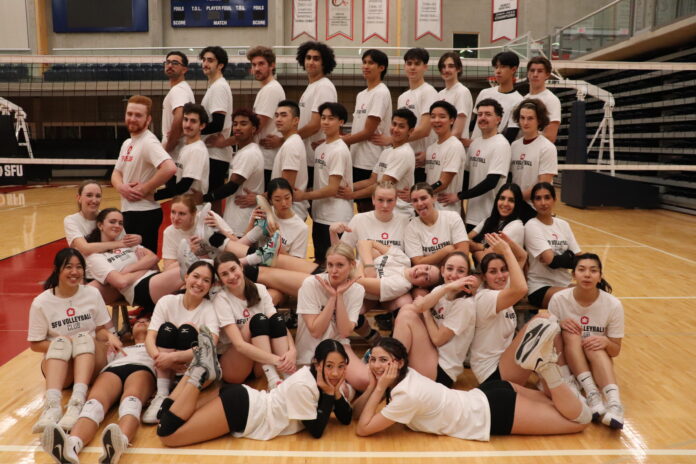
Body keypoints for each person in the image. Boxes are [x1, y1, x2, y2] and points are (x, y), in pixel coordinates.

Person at [354, 333, 591, 440]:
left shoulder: (407, 394)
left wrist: (377, 389)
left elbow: (363, 429)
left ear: (399, 363)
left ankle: (547, 369)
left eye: (383, 360)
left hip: (494, 412)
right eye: (373, 359)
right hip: (490, 393)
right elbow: (357, 414)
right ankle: (546, 368)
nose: (376, 365)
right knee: (563, 407)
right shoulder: (407, 375)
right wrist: (375, 383)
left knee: (580, 422)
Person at [156, 334, 352, 445]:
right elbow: (316, 430)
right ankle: (199, 373)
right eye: (329, 366)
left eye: (341, 366)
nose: (335, 373)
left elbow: (346, 418)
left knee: (165, 417)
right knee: (168, 435)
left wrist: (335, 392)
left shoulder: (325, 380)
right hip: (244, 410)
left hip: (245, 402)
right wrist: (328, 393)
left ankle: (195, 369)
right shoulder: (303, 384)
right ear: (317, 364)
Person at [28, 248, 122, 434]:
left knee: (83, 338)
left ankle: (77, 403)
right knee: (62, 342)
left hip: (91, 361)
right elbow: (35, 344)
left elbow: (101, 331)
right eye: (68, 267)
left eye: (79, 267)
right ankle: (52, 406)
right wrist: (65, 342)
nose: (75, 272)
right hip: (62, 367)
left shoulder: (92, 294)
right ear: (57, 269)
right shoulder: (41, 302)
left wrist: (110, 336)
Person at [40, 317, 155, 464]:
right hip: (112, 369)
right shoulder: (120, 347)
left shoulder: (159, 347)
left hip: (142, 369)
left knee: (131, 401)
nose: (142, 321)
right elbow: (99, 338)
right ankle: (71, 447)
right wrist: (108, 338)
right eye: (138, 320)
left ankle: (119, 442)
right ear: (130, 333)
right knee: (92, 404)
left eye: (148, 320)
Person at [549, 253, 625, 429]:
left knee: (594, 343)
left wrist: (606, 342)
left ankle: (615, 405)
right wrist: (559, 323)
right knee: (571, 331)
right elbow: (548, 339)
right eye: (581, 270)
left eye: (593, 270)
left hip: (595, 364)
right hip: (566, 364)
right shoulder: (559, 299)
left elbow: (615, 350)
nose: (587, 275)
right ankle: (592, 395)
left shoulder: (613, 305)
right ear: (573, 275)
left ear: (600, 276)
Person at [142, 260, 219, 423]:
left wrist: (173, 358)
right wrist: (160, 358)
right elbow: (150, 337)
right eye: (196, 277)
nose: (199, 283)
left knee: (188, 331)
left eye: (206, 281)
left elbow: (211, 345)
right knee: (167, 328)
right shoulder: (167, 301)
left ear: (211, 286)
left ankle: (178, 392)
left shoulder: (209, 308)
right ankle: (162, 393)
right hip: (164, 366)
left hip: (190, 368)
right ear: (186, 277)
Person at [392, 251, 477, 387]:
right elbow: (419, 307)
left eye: (460, 271)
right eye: (450, 269)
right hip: (431, 355)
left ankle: (392, 370)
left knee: (408, 314)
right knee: (408, 309)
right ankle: (393, 365)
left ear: (467, 276)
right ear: (442, 271)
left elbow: (438, 340)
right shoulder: (440, 288)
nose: (454, 275)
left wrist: (426, 311)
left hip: (442, 372)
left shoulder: (464, 304)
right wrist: (446, 289)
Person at [213, 252, 296, 388]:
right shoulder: (221, 299)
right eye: (224, 274)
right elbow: (239, 344)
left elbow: (278, 323)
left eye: (233, 269)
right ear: (220, 279)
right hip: (234, 366)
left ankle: (287, 377)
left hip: (260, 363)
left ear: (241, 267)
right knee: (257, 320)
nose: (232, 277)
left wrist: (292, 351)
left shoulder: (260, 289)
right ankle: (273, 377)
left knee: (274, 318)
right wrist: (276, 360)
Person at [294, 243, 370, 390]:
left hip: (338, 343)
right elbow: (316, 331)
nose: (333, 271)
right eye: (330, 265)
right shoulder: (311, 284)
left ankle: (350, 378)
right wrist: (332, 298)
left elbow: (344, 332)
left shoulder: (357, 290)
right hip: (311, 348)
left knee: (364, 381)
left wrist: (339, 296)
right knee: (320, 390)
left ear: (352, 265)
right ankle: (345, 385)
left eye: (340, 265)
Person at [84, 208, 184, 315]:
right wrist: (144, 267)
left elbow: (153, 258)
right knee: (187, 270)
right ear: (100, 225)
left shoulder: (127, 243)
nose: (117, 225)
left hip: (155, 277)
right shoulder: (95, 257)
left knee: (187, 269)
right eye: (112, 222)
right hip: (139, 288)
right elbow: (121, 282)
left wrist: (129, 270)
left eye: (120, 223)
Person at [111, 95, 176, 253]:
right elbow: (116, 173)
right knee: (133, 259)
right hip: (130, 211)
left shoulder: (149, 141)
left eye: (138, 115)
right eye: (130, 114)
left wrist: (145, 188)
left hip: (144, 213)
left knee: (144, 262)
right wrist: (122, 188)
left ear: (148, 120)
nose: (132, 118)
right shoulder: (128, 142)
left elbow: (169, 167)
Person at [294, 102, 353, 265]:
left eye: (331, 118)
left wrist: (303, 196)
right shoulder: (321, 148)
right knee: (320, 261)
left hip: (336, 216)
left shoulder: (339, 150)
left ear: (341, 122)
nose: (325, 122)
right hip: (320, 214)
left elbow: (333, 189)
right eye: (323, 118)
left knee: (336, 264)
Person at [64, 180, 140, 303]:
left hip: (115, 270)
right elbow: (85, 248)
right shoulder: (71, 220)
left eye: (98, 196)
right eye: (89, 195)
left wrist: (136, 239)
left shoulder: (108, 217)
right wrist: (120, 243)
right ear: (79, 198)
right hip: (91, 275)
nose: (94, 200)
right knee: (80, 300)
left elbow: (128, 244)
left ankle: (148, 311)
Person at [469, 234, 530, 386]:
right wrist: (507, 251)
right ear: (483, 277)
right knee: (540, 323)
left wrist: (508, 243)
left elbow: (522, 257)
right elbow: (522, 288)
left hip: (506, 364)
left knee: (554, 326)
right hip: (491, 373)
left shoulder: (503, 289)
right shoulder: (485, 298)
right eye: (493, 271)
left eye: (504, 270)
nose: (500, 276)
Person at [446, 98, 511, 232]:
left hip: (490, 215)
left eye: (488, 114)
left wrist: (459, 196)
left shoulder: (501, 144)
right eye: (480, 114)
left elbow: (491, 182)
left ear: (498, 119)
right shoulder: (476, 143)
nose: (482, 118)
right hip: (472, 214)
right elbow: (467, 175)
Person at [354, 239, 441, 336]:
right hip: (350, 267)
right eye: (426, 268)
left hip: (350, 282)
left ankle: (381, 338)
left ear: (422, 286)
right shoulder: (403, 259)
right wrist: (369, 265)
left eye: (426, 278)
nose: (420, 272)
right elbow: (364, 242)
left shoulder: (401, 285)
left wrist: (365, 258)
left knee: (350, 310)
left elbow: (358, 281)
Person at [342, 49, 392, 212]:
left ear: (381, 68)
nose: (366, 66)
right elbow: (359, 129)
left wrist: (338, 142)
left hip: (371, 159)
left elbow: (368, 132)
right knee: (361, 209)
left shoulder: (381, 93)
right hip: (357, 158)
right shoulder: (361, 95)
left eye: (371, 63)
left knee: (369, 208)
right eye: (364, 62)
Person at [343, 109, 417, 216]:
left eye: (401, 126)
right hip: (385, 210)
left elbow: (382, 185)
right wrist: (348, 187)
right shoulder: (387, 152)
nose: (395, 129)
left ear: (410, 131)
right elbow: (372, 180)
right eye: (394, 124)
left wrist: (351, 195)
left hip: (400, 213)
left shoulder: (404, 153)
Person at [203, 109, 265, 237]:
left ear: (253, 129)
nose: (237, 127)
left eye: (243, 124)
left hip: (243, 222)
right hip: (238, 219)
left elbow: (231, 186)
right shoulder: (242, 152)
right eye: (235, 124)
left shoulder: (249, 153)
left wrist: (203, 198)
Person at [525, 182, 581, 309]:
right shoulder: (532, 225)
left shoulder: (563, 224)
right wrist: (568, 256)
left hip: (564, 284)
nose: (543, 203)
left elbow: (579, 258)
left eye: (547, 197)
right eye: (538, 198)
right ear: (533, 202)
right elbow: (552, 262)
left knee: (600, 290)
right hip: (540, 287)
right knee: (578, 297)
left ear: (554, 200)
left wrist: (566, 258)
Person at [295, 41, 338, 188]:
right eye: (308, 58)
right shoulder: (312, 87)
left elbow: (314, 125)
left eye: (316, 58)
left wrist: (289, 139)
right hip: (307, 156)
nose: (311, 62)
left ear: (324, 63)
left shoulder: (324, 87)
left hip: (317, 157)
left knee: (315, 202)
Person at [393, 48, 438, 183]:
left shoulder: (428, 92)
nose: (412, 67)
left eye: (417, 64)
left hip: (422, 162)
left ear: (425, 67)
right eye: (409, 63)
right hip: (406, 158)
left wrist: (392, 140)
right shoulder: (402, 97)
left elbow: (424, 130)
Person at [199, 45, 233, 214]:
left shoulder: (219, 87)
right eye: (204, 60)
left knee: (211, 200)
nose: (205, 63)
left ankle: (216, 236)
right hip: (213, 154)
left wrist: (190, 131)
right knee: (212, 200)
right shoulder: (214, 86)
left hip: (215, 154)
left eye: (210, 60)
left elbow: (218, 123)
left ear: (220, 65)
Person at [510, 99, 558, 219]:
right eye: (522, 118)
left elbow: (543, 184)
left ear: (539, 120)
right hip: (515, 206)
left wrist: (514, 197)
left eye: (530, 118)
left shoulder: (547, 148)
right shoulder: (514, 146)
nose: (525, 122)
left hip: (534, 210)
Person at [331, 181, 410, 251]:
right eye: (380, 200)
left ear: (396, 201)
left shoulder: (405, 221)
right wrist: (333, 233)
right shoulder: (359, 219)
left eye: (390, 200)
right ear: (373, 200)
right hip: (366, 267)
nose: (385, 205)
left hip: (397, 267)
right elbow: (341, 253)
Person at [154, 103, 210, 201]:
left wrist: (152, 196)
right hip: (185, 206)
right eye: (185, 119)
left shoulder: (197, 150)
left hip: (193, 210)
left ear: (202, 125)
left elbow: (183, 186)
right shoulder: (187, 147)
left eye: (193, 121)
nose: (188, 125)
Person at [404, 183, 469, 266]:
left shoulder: (452, 217)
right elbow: (418, 263)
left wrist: (429, 260)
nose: (420, 203)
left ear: (434, 198)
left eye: (423, 198)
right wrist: (445, 251)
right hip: (428, 276)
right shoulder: (411, 227)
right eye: (415, 200)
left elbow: (463, 252)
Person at [249, 46, 286, 186]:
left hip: (268, 159)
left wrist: (226, 142)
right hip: (264, 157)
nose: (257, 68)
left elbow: (256, 127)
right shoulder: (266, 89)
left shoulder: (271, 90)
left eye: (261, 64)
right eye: (254, 65)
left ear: (272, 65)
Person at [468, 51, 523, 144]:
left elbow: (511, 134)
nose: (498, 71)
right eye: (496, 67)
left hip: (495, 149)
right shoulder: (484, 93)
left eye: (503, 67)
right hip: (474, 149)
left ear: (513, 69)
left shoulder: (519, 101)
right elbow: (474, 123)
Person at [270, 100, 309, 220]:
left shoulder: (291, 145)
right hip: (287, 212)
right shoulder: (291, 142)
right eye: (276, 115)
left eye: (283, 115)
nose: (278, 119)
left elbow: (285, 187)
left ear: (295, 121)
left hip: (290, 213)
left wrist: (258, 197)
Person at [468, 183, 526, 263]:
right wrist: (483, 248)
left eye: (511, 200)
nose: (505, 204)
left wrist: (474, 250)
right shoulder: (488, 220)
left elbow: (485, 260)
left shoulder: (516, 226)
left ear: (517, 204)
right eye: (502, 198)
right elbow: (465, 240)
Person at [425, 100, 465, 214]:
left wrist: (419, 192)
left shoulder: (454, 146)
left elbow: (443, 182)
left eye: (442, 116)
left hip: (447, 210)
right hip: (431, 208)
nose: (436, 120)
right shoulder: (431, 148)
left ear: (452, 120)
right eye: (433, 116)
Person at [161, 51, 195, 161]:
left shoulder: (179, 90)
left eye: (175, 63)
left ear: (184, 69)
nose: (170, 65)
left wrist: (168, 148)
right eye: (168, 62)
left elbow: (179, 115)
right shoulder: (181, 89)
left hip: (175, 156)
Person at [522, 56, 562, 143]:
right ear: (528, 73)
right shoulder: (523, 100)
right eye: (532, 70)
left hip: (540, 151)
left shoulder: (551, 100)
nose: (535, 74)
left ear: (547, 75)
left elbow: (550, 137)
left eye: (540, 71)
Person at [437, 51, 473, 140]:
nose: (446, 70)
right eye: (443, 66)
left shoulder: (462, 91)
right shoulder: (440, 94)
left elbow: (457, 132)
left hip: (454, 147)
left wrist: (442, 145)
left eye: (451, 66)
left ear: (458, 69)